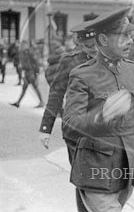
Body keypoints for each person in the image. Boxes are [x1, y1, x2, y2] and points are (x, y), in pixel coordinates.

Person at [62, 8, 134, 212]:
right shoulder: (82, 75)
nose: (130, 41)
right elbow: (69, 126)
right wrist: (102, 116)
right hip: (96, 170)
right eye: (123, 36)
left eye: (130, 35)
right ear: (103, 39)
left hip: (128, 168)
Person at [38, 21, 97, 212]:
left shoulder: (108, 60)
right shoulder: (69, 61)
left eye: (96, 45)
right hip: (76, 131)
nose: (93, 50)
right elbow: (56, 93)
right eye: (88, 46)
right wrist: (46, 128)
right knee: (82, 178)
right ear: (78, 43)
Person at [10, 40, 45, 108]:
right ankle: (18, 102)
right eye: (21, 44)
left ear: (26, 45)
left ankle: (41, 102)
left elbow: (36, 63)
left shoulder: (30, 52)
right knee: (25, 88)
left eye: (23, 44)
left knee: (35, 87)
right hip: (26, 72)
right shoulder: (22, 53)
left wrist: (37, 74)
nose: (22, 46)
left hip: (31, 72)